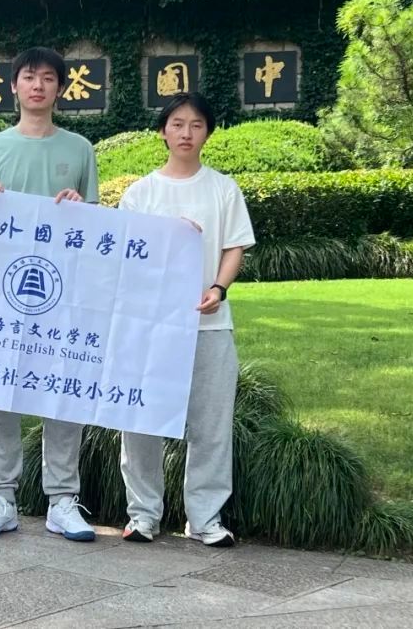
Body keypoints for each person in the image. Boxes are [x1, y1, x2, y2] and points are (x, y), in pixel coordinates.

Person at [0, 46, 100, 542]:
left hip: (62, 289)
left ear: (60, 88)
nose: (37, 85)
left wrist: (79, 206)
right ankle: (1, 496)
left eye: (47, 78)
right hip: (2, 289)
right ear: (14, 86)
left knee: (62, 385)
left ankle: (62, 499)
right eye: (28, 77)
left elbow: (95, 225)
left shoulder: (79, 149)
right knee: (0, 383)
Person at [117, 92, 255, 547]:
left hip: (209, 323)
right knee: (140, 418)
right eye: (177, 124)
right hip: (150, 326)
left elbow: (234, 246)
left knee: (211, 425)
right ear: (162, 131)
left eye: (196, 125)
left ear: (207, 133)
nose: (186, 133)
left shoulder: (223, 189)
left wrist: (218, 288)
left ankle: (205, 518)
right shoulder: (141, 193)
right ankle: (143, 514)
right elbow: (126, 255)